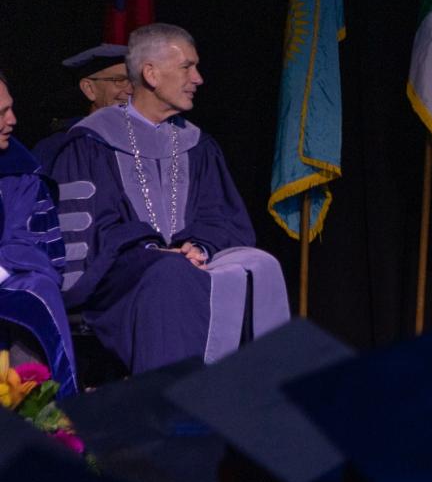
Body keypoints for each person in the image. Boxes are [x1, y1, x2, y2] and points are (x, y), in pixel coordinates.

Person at [48, 22, 288, 374]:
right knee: (170, 271)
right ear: (151, 74)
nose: (199, 79)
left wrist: (199, 246)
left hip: (185, 264)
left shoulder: (197, 145)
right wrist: (152, 251)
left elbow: (222, 216)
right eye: (187, 67)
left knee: (261, 265)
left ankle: (259, 402)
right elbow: (91, 231)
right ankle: (170, 411)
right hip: (119, 278)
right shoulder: (89, 143)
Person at [0, 73, 77, 396]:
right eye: (1, 113)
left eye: (10, 109)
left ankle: (47, 424)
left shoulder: (18, 174)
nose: (13, 120)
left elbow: (32, 246)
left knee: (36, 291)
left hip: (4, 285)